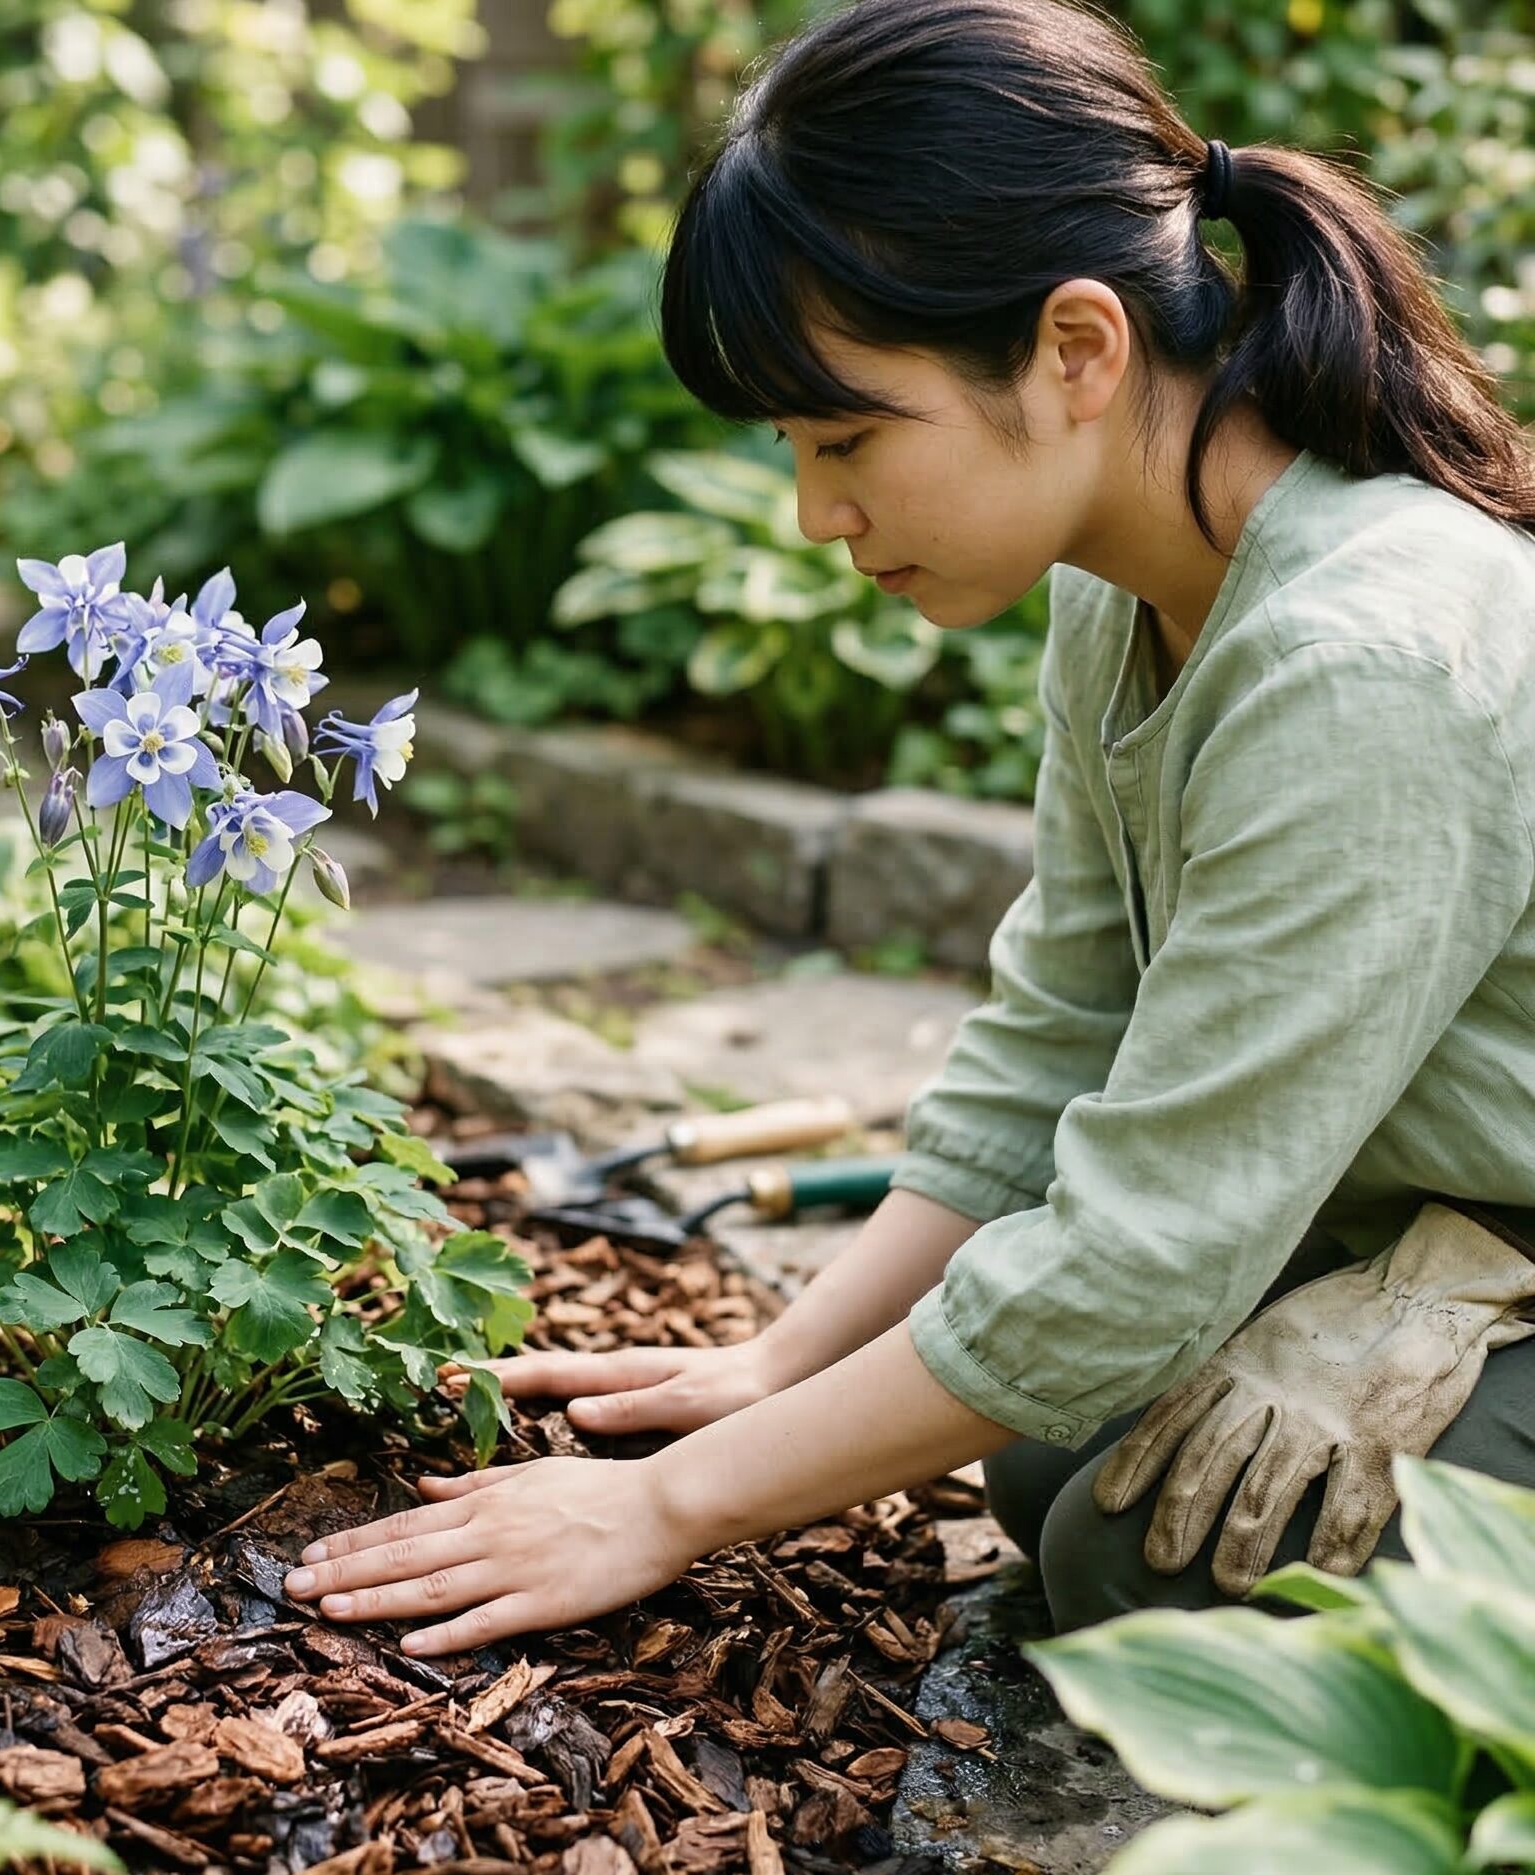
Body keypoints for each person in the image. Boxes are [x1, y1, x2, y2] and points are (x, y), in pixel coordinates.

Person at [280, 0, 1535, 1657]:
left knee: (1149, 1570)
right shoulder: (1135, 590)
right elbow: (1059, 1037)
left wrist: (667, 1507)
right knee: (1041, 1449)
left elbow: (1146, 1249)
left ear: (1076, 350)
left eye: (848, 434)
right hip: (1407, 1212)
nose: (819, 512)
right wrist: (776, 1369)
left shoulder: (1361, 654)